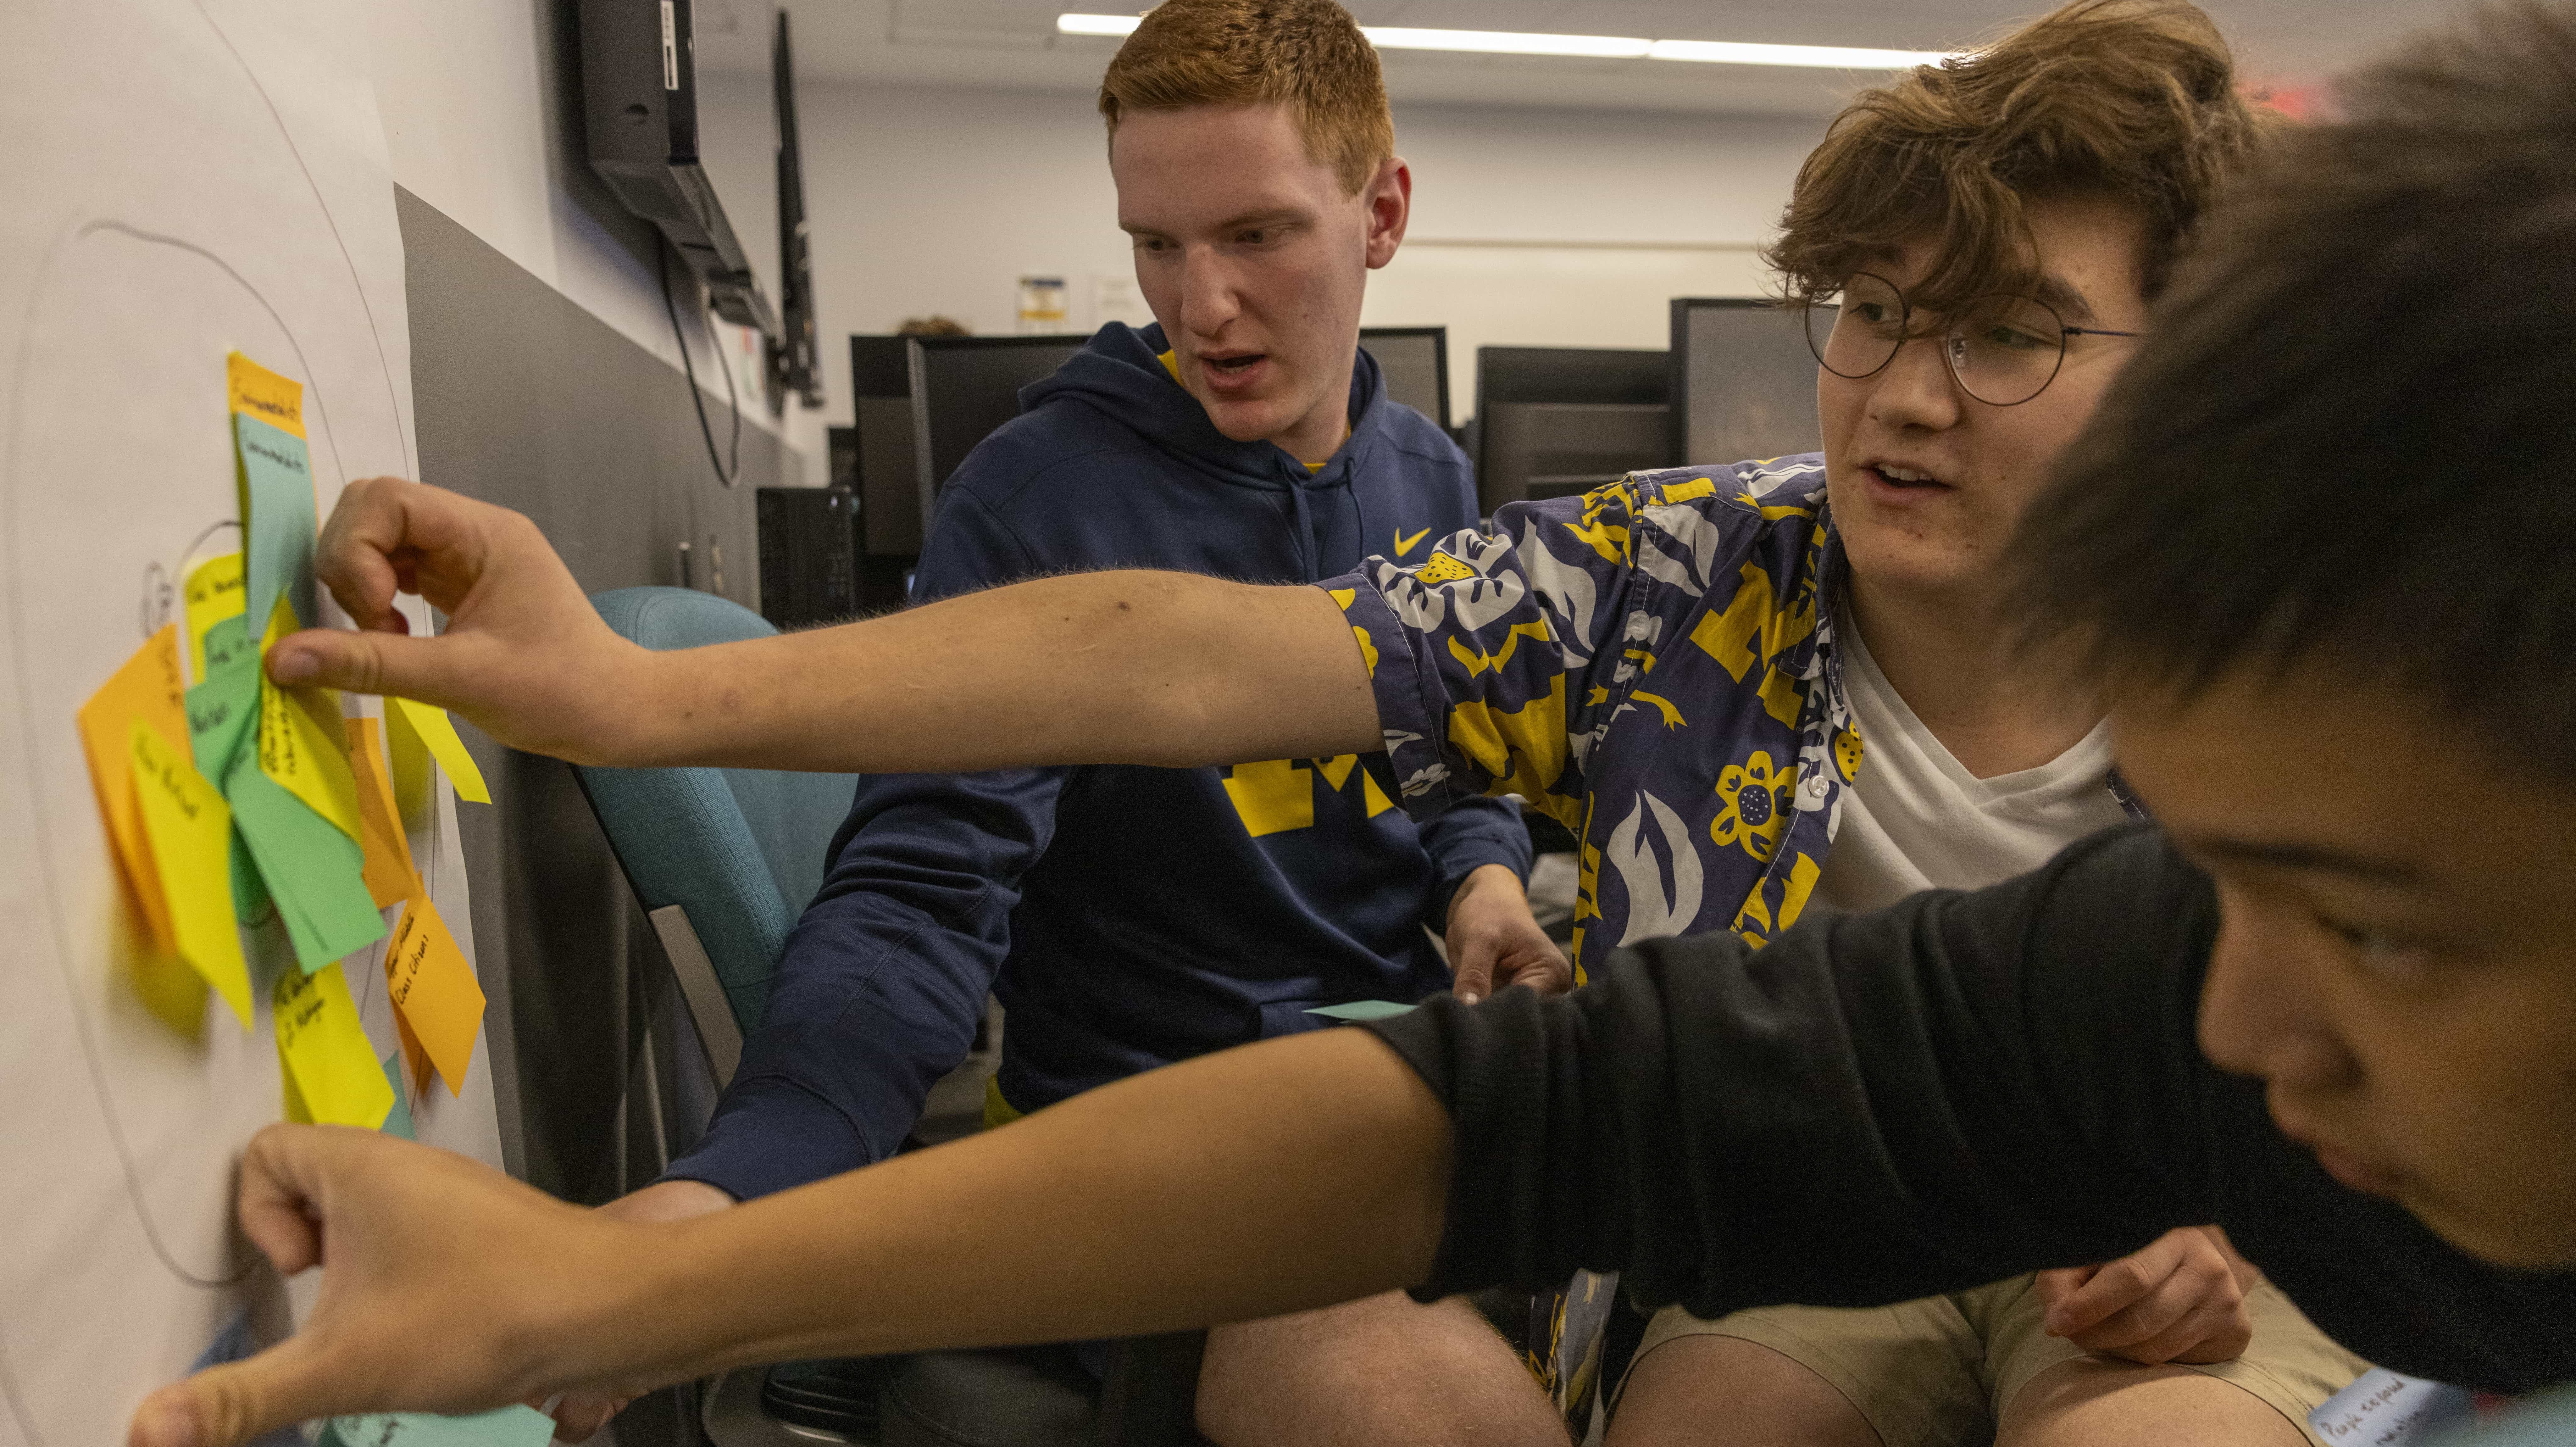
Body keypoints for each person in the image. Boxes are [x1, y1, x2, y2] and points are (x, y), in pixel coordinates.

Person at [132, 4, 2576, 1441]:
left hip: (2170, 1266)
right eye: (1863, 313)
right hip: (1702, 1238)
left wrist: (1482, 877)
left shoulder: (2276, 657)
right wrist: (650, 731)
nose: (1905, 396)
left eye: (2008, 331)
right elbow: (1166, 684)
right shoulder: (1705, 579)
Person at [560, 4, 1564, 1445]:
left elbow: (1447, 756)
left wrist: (1479, 875)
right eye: (1155, 243)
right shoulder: (1037, 501)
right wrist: (725, 1194)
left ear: (1380, 212)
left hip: (1410, 1091)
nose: (1198, 304)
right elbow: (918, 894)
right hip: (1161, 1148)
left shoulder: (1425, 472)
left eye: (1254, 236)